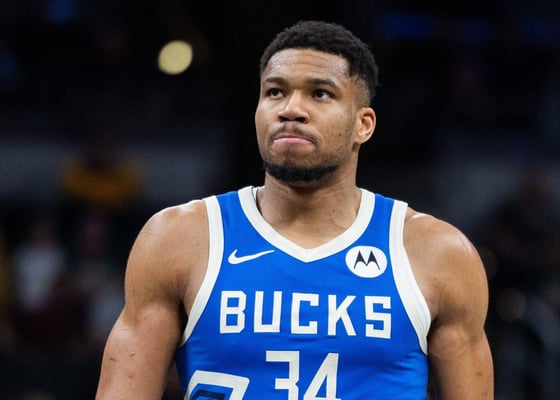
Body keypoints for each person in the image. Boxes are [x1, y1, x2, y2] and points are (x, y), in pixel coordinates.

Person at [95, 20, 493, 399]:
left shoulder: (438, 253)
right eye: (275, 92)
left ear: (364, 125)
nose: (290, 109)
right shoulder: (178, 239)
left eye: (320, 94)